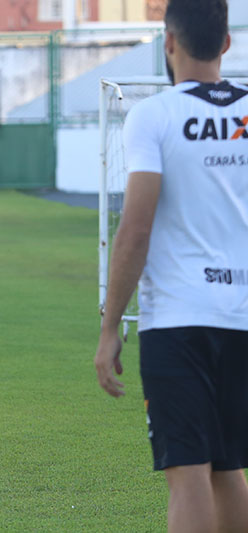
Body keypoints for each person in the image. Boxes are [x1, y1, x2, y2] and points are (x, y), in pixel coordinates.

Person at [94, 1, 248, 531]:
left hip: (179, 322)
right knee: (229, 468)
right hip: (242, 318)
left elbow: (135, 229)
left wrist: (111, 324)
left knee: (188, 473)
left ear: (169, 43)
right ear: (226, 43)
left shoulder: (155, 115)